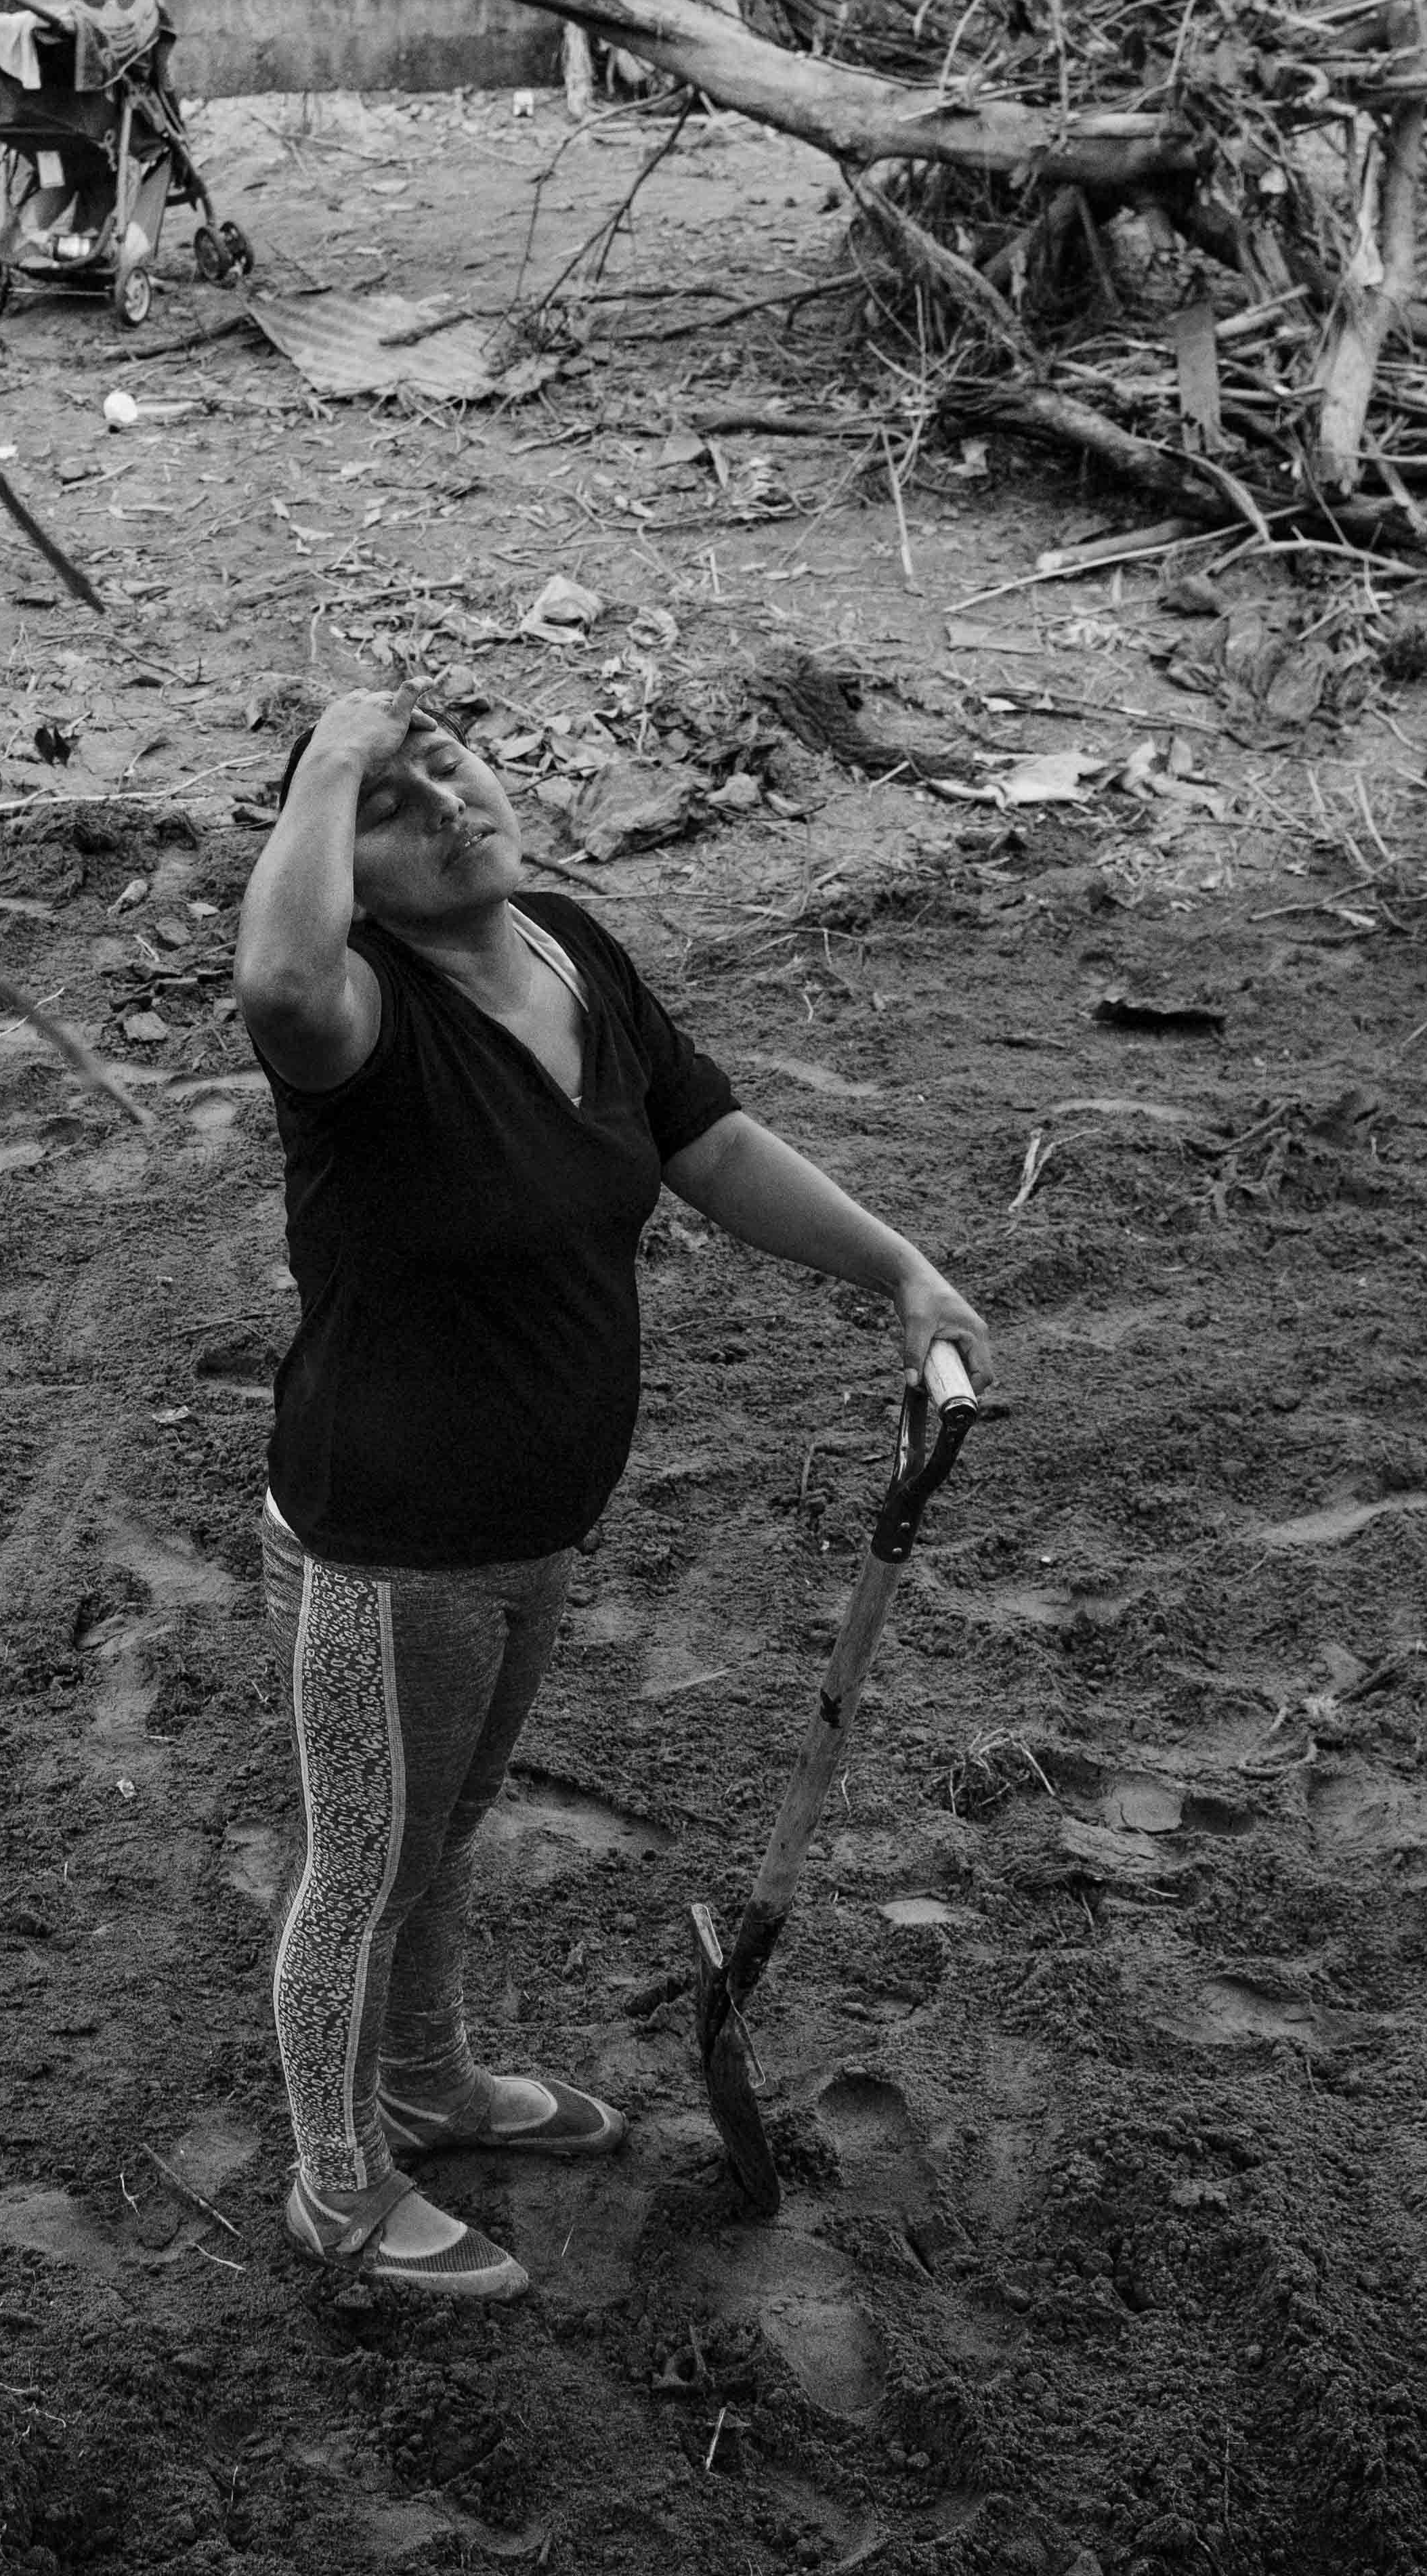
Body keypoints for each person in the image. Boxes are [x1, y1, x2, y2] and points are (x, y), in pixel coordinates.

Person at [232, 690, 996, 2300]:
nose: (442, 801)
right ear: (337, 866)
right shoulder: (358, 1019)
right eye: (386, 805)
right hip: (392, 1543)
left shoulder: (571, 947)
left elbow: (702, 1140)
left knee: (445, 1835)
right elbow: (278, 973)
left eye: (447, 760)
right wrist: (325, 754)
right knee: (362, 1863)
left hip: (531, 1524)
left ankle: (428, 2086)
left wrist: (900, 1271)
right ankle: (336, 2185)